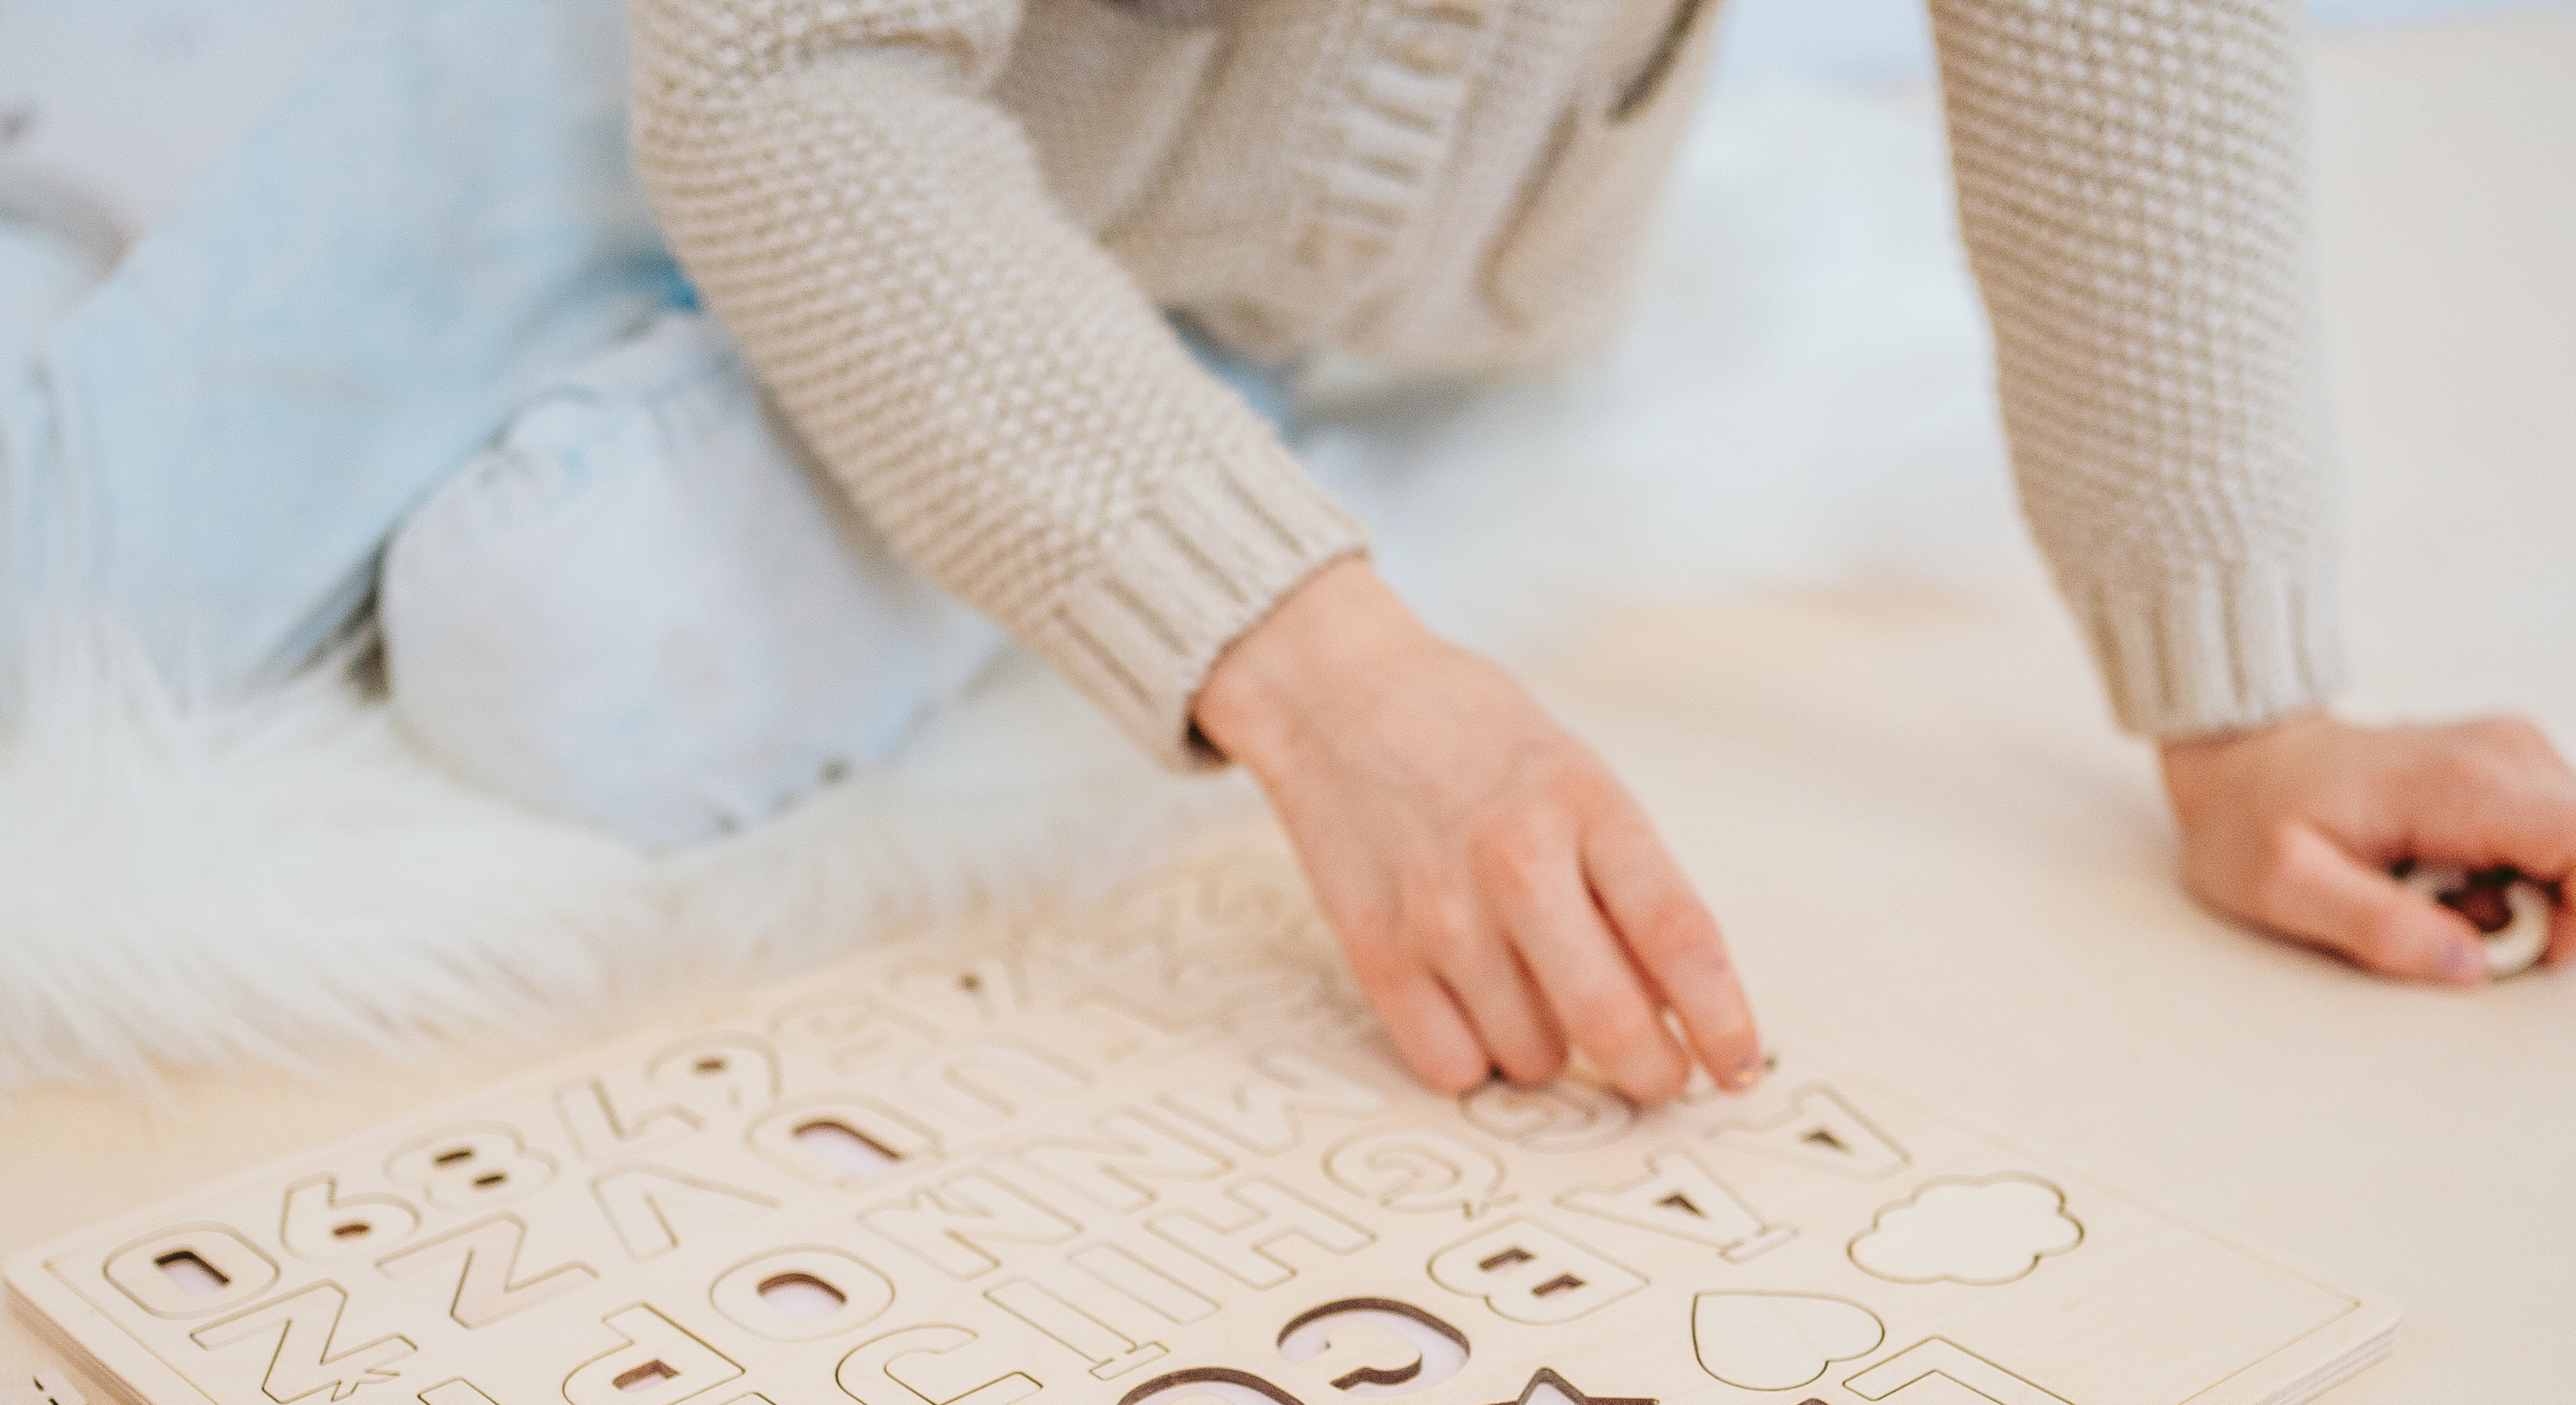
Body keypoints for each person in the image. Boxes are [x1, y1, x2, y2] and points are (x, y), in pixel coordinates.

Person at [4, 0, 2570, 1102]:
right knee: (79, 582)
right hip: (714, 71)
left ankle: (1109, 410)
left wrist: (2241, 709)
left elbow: (2115, 40)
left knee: (565, 668)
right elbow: (788, 76)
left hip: (1346, 305)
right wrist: (1311, 654)